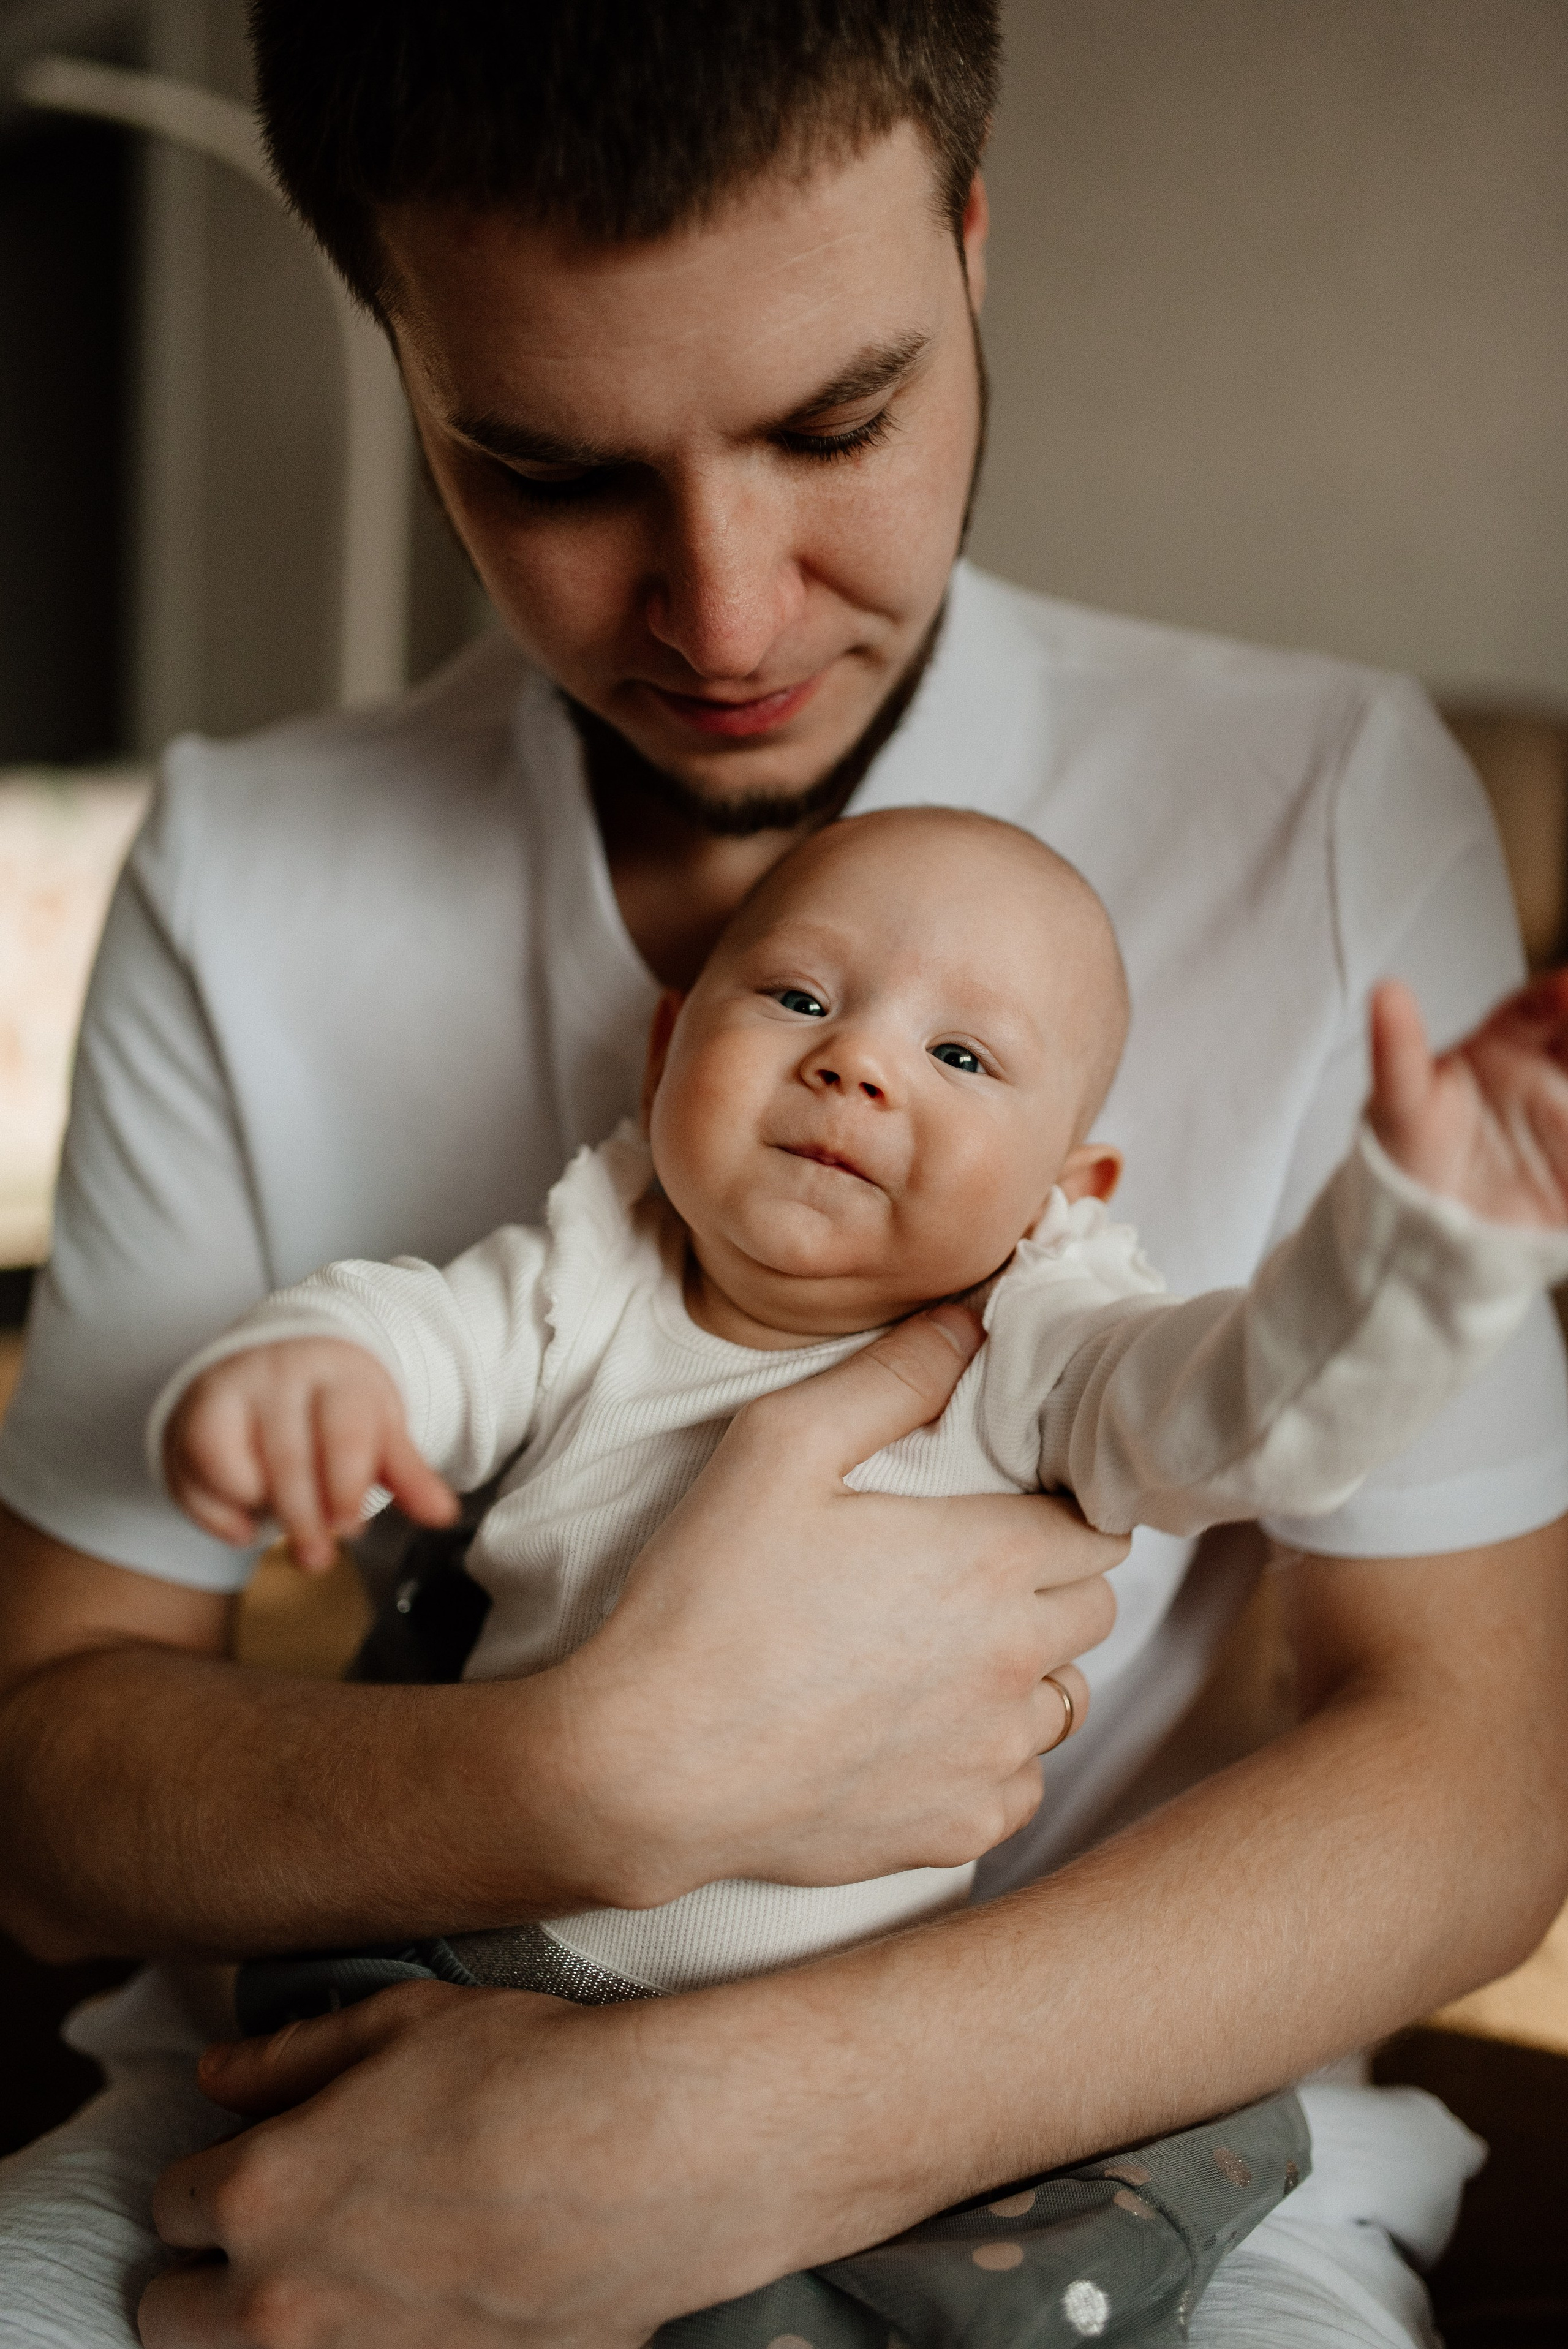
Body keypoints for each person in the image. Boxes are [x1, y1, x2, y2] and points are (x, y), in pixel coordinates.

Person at [0, 6, 1563, 2345]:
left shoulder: (1327, 810)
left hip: (1109, 2155)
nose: (727, 621)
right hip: (323, 2082)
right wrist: (588, 1776)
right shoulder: (253, 869)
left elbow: (1473, 1773)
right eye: (545, 466)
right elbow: (53, 1785)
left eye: (836, 423)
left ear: (970, 231)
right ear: (399, 352)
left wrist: (709, 2134)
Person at [156, 805, 1568, 2032]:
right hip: (457, 1950)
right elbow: (414, 1332)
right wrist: (311, 1374)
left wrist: (1423, 1241)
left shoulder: (1033, 1352)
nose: (858, 1064)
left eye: (961, 1057)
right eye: (796, 999)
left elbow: (1247, 1414)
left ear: (1060, 1190)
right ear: (663, 1054)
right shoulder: (589, 1277)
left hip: (824, 2037)